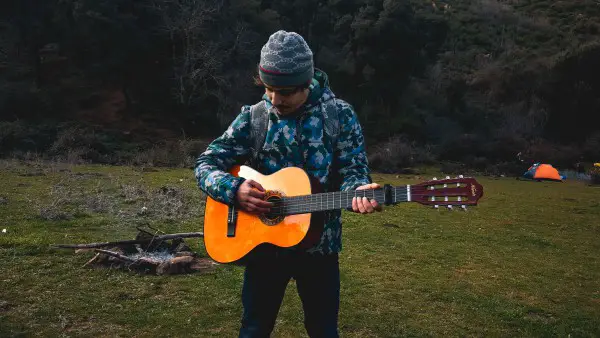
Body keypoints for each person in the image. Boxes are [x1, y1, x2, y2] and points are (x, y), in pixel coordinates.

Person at [194, 30, 382, 338]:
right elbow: (205, 165)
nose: (275, 100)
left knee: (323, 330)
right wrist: (234, 190)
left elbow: (353, 169)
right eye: (269, 89)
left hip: (320, 248)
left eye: (285, 92)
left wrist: (359, 188)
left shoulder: (339, 115)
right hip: (264, 247)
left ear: (307, 83)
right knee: (254, 329)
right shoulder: (253, 118)